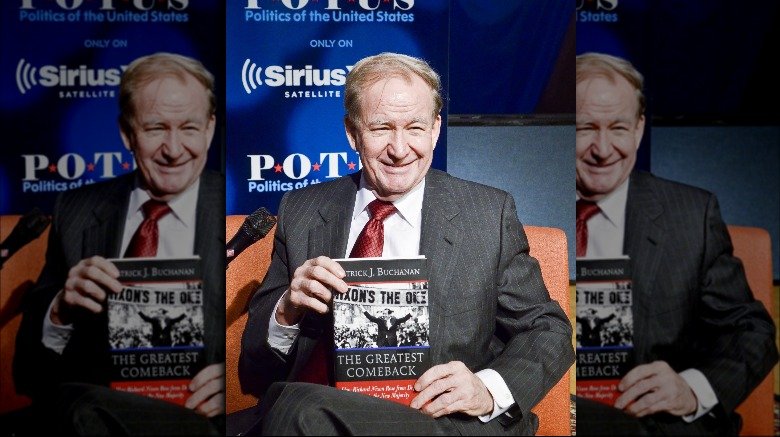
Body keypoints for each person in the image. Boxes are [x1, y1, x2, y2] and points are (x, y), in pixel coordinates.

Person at [235, 52, 574, 436]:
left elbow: (548, 329)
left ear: (435, 130)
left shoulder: (487, 214)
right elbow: (255, 359)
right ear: (352, 133)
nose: (399, 149)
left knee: (298, 409)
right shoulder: (302, 211)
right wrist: (287, 310)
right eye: (381, 128)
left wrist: (488, 388)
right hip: (317, 414)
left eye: (415, 128)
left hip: (437, 421)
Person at [13, 52, 225, 436]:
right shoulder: (77, 212)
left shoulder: (233, 211)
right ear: (127, 133)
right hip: (90, 415)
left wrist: (232, 381)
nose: (174, 149)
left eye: (189, 128)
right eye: (156, 128)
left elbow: (267, 346)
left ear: (210, 129)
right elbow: (28, 375)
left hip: (195, 420)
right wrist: (59, 311)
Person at [574, 52, 778, 435]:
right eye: (585, 128)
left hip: (655, 425)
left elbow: (750, 331)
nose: (603, 150)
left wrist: (693, 387)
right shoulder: (512, 213)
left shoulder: (692, 214)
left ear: (638, 129)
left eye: (618, 128)